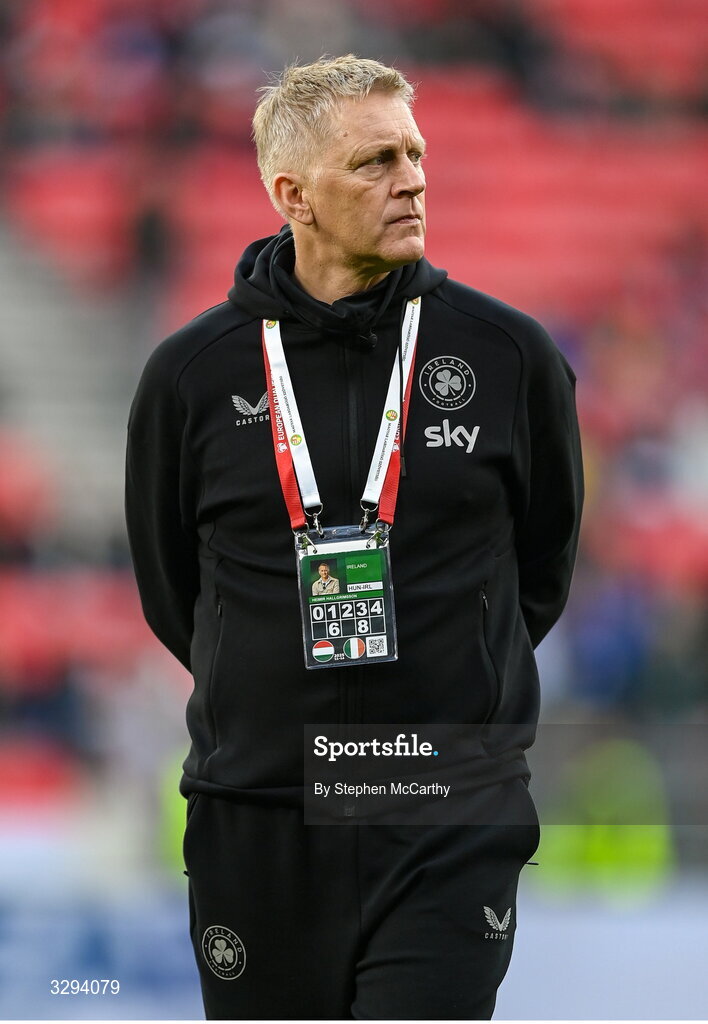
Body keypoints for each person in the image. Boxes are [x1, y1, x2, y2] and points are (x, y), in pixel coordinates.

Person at [125, 55, 583, 1020]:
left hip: (444, 808)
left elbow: (542, 570)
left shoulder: (507, 357)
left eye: (415, 153)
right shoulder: (192, 376)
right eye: (375, 161)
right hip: (259, 813)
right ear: (293, 194)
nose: (412, 178)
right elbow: (176, 594)